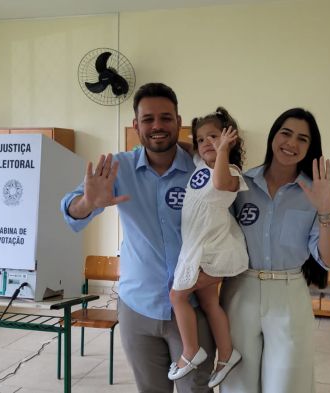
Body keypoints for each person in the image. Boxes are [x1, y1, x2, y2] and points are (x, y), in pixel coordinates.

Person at [61, 82, 215, 393]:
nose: (157, 126)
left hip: (193, 307)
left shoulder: (202, 171)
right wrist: (88, 203)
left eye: (165, 118)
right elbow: (70, 212)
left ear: (178, 121)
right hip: (137, 308)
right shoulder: (118, 169)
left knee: (196, 390)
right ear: (136, 125)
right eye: (148, 119)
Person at [219, 108, 330, 393]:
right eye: (285, 133)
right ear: (273, 136)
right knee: (237, 383)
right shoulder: (242, 184)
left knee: (287, 383)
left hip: (289, 295)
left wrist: (325, 212)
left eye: (302, 138)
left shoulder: (316, 193)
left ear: (309, 147)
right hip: (241, 289)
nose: (291, 143)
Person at [168, 108, 248, 388]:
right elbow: (185, 145)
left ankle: (191, 351)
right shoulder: (199, 164)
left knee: (177, 297)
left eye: (213, 136)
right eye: (201, 140)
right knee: (208, 302)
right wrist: (184, 136)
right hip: (197, 250)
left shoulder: (233, 173)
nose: (206, 143)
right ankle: (227, 353)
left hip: (215, 254)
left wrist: (223, 148)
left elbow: (221, 182)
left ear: (231, 139)